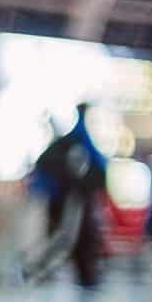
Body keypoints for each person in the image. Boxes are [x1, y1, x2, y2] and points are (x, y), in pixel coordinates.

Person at [25, 103, 109, 288]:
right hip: (71, 200)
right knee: (64, 238)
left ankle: (38, 269)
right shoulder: (74, 144)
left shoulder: (68, 145)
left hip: (69, 199)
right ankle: (35, 269)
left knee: (66, 239)